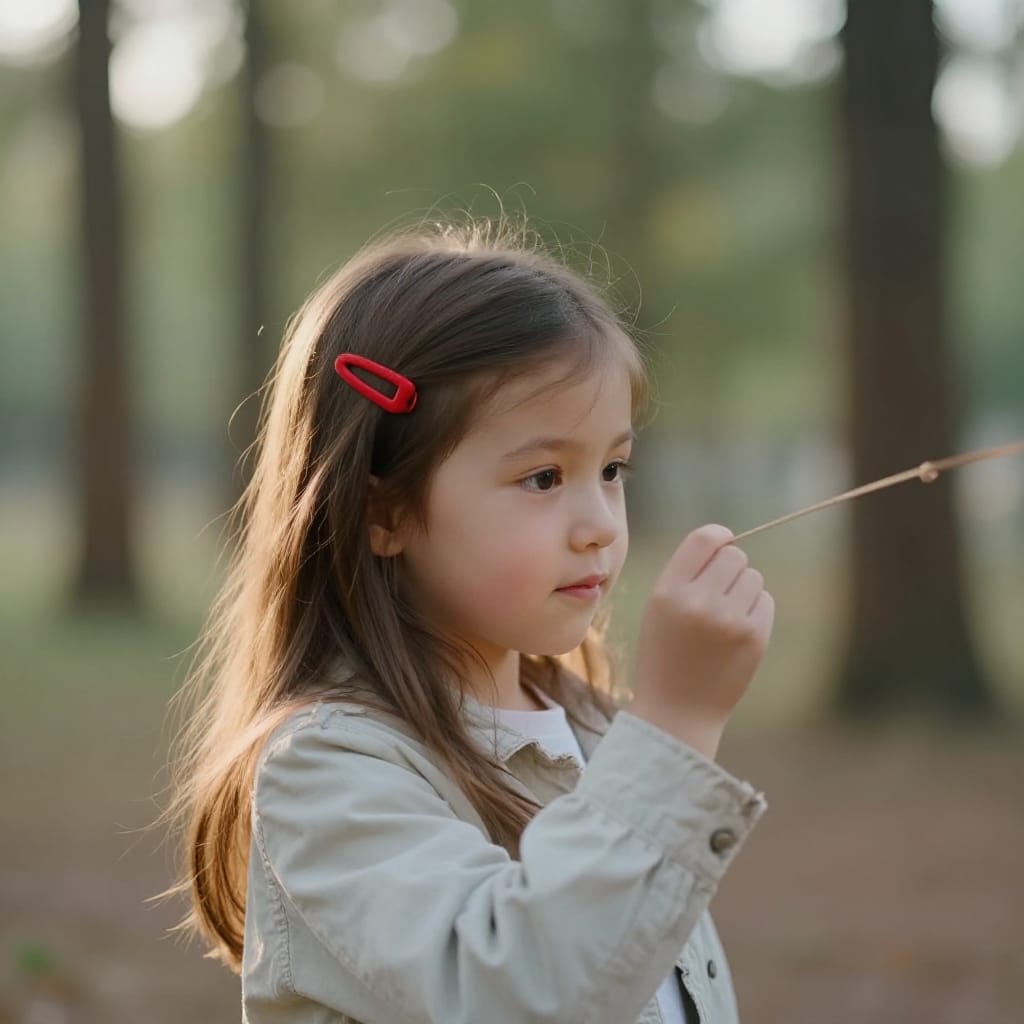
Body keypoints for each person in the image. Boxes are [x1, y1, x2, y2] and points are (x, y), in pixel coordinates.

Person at [160, 218, 775, 1024]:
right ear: (384, 510)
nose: (598, 523)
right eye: (544, 476)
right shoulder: (329, 773)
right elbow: (519, 991)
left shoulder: (593, 732)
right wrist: (679, 724)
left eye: (613, 469)